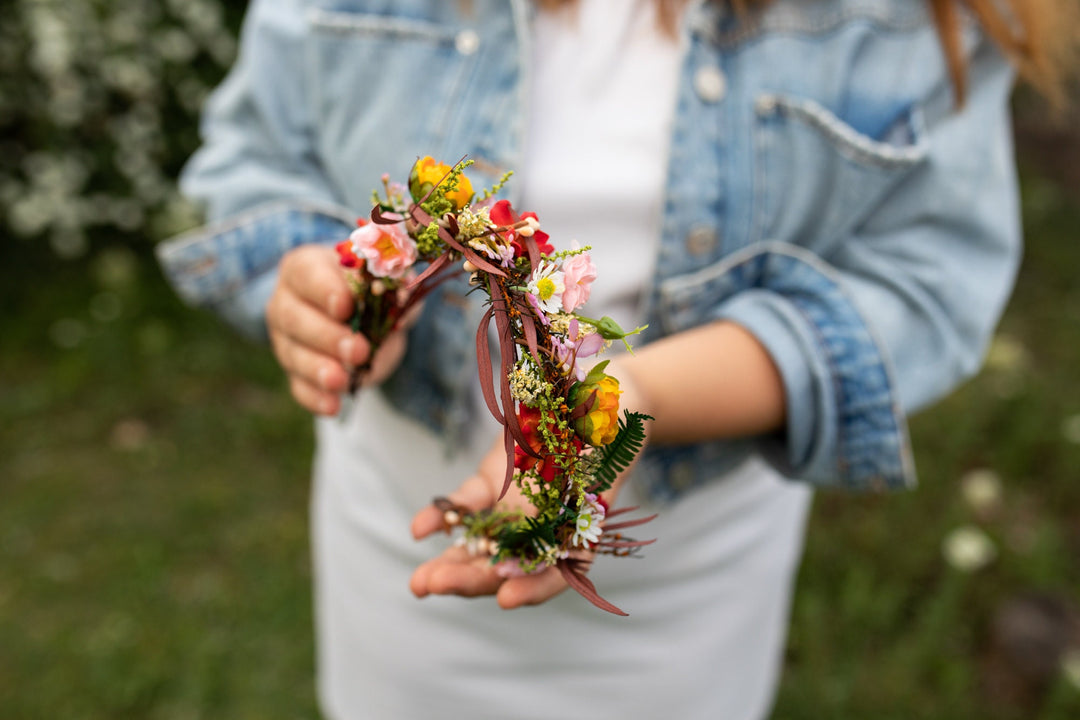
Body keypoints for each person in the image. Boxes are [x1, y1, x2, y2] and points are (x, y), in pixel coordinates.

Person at [157, 0, 1075, 717]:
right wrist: (323, 287)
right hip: (396, 546)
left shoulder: (913, 22)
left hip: (685, 589)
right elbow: (253, 159)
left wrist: (630, 396)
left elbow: (923, 283)